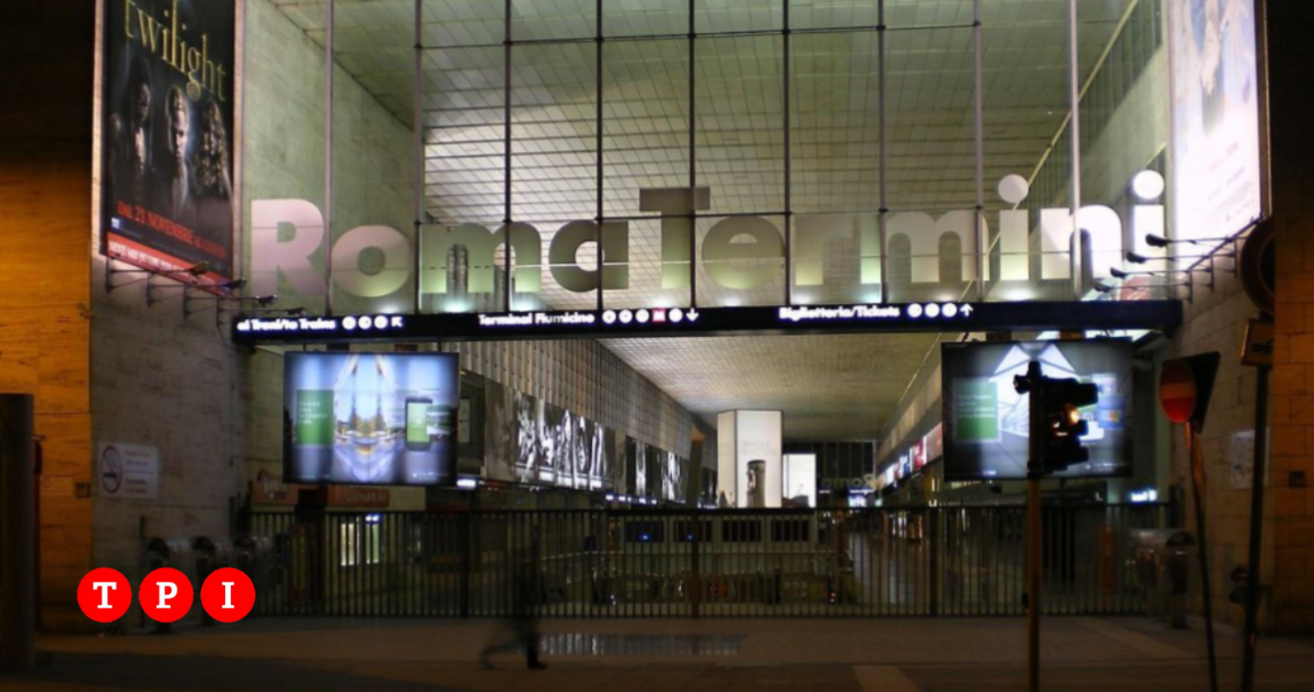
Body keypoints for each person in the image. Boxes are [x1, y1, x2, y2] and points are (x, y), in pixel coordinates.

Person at [479, 556, 546, 669]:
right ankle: (488, 653)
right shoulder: (520, 580)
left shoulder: (519, 579)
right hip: (521, 614)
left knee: (529, 637)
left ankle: (532, 661)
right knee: (525, 638)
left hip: (521, 614)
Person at [155, 85, 197, 226]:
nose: (177, 142)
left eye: (181, 134)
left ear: (187, 133)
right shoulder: (154, 177)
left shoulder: (196, 187)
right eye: (172, 133)